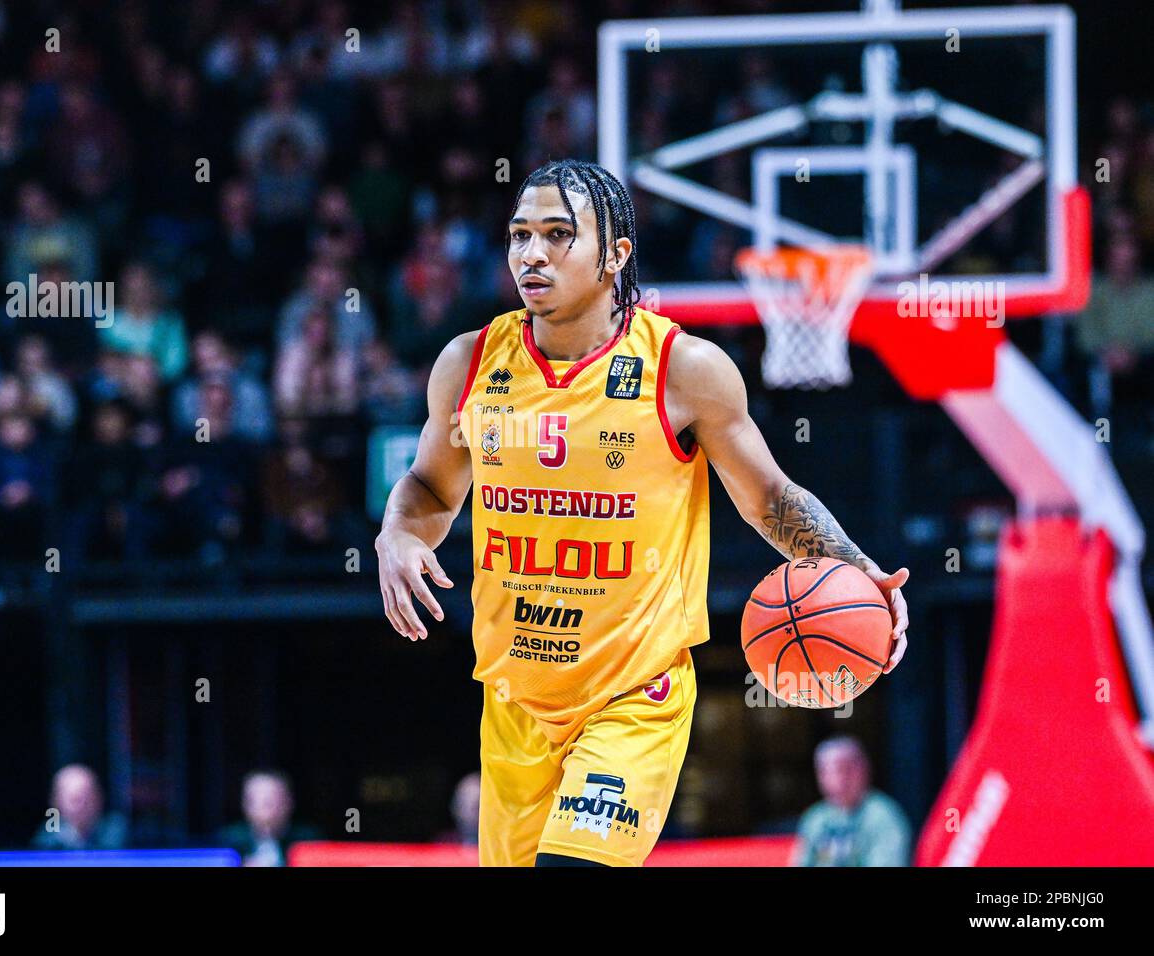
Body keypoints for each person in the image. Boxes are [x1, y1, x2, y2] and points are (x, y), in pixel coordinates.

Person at [375, 159, 910, 868]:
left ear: (617, 254)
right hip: (515, 705)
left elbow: (770, 499)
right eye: (519, 235)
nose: (531, 254)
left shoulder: (682, 370)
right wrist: (399, 534)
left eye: (558, 235)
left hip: (634, 697)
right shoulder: (470, 363)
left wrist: (859, 568)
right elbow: (430, 490)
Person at [790, 736, 911, 867]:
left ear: (864, 769)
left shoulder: (883, 816)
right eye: (827, 771)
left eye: (846, 769)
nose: (838, 779)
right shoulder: (815, 818)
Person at [218, 771, 320, 867]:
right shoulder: (228, 840)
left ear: (289, 802)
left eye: (272, 800)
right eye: (257, 800)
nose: (265, 808)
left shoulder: (309, 840)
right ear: (245, 804)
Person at [31, 764, 129, 850]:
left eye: (87, 798)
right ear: (56, 802)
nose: (81, 806)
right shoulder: (48, 838)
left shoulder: (121, 832)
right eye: (75, 799)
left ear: (100, 798)